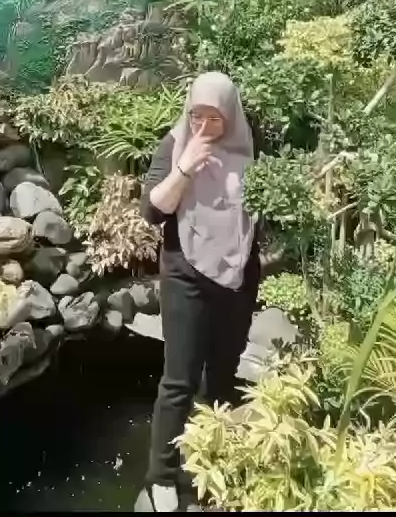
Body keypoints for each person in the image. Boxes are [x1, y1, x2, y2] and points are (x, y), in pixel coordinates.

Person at [136, 71, 260, 513]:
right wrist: (185, 166)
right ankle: (161, 477)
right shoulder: (175, 145)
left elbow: (263, 208)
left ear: (231, 115)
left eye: (214, 118)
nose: (204, 126)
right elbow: (152, 211)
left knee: (224, 373)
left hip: (237, 277)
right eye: (196, 116)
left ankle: (214, 458)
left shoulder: (250, 147)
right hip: (184, 272)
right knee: (179, 380)